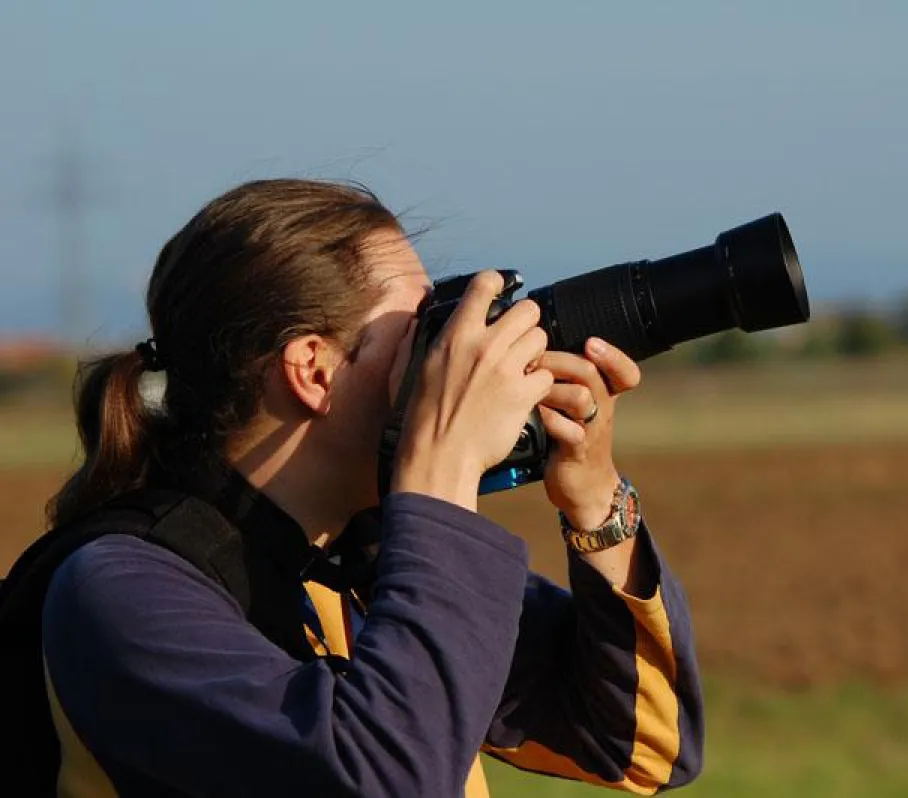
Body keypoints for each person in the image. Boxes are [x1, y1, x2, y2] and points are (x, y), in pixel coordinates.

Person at [38, 179, 704, 797]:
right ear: (314, 371)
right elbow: (388, 778)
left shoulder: (358, 565)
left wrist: (594, 498)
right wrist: (441, 479)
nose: (449, 356)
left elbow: (644, 744)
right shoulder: (125, 592)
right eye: (420, 329)